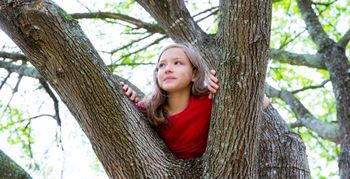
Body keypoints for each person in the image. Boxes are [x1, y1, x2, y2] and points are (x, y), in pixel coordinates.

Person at [120, 43, 268, 159]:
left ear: (195, 74)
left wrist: (228, 85)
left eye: (177, 63)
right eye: (161, 65)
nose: (167, 69)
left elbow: (262, 102)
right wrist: (128, 99)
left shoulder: (210, 99)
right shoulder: (148, 109)